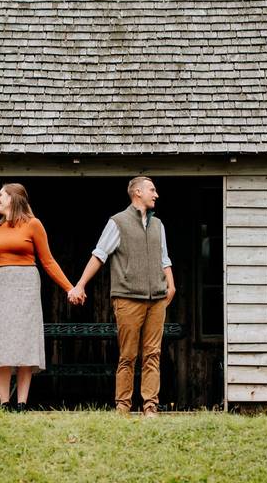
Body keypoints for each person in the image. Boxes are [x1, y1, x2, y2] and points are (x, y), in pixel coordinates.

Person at [68, 176, 175, 418]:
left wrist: (171, 284)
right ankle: (123, 408)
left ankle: (150, 407)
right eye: (152, 190)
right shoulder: (117, 222)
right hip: (128, 298)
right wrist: (80, 285)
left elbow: (164, 258)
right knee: (128, 355)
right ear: (137, 192)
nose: (156, 194)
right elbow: (99, 254)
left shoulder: (159, 225)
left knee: (153, 354)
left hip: (157, 299)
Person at [0, 183, 74, 411]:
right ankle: (4, 402)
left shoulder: (33, 225)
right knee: (1, 343)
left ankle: (22, 403)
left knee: (25, 343)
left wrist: (69, 288)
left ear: (14, 198)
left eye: (0, 196)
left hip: (26, 287)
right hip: (1, 287)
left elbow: (48, 261)